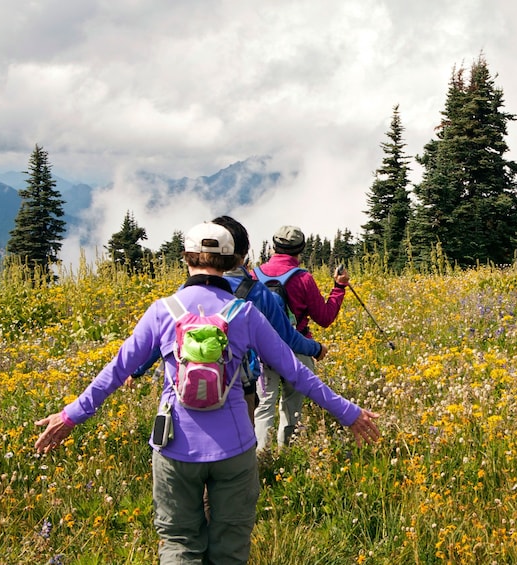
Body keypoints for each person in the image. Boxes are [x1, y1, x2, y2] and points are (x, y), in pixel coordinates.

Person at [34, 221, 380, 564]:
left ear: (185, 257)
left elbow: (116, 370)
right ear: (232, 262)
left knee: (179, 542)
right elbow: (296, 372)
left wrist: (70, 416)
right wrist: (350, 414)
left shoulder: (163, 311)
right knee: (230, 548)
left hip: (173, 445)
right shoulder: (244, 314)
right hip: (235, 449)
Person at [127, 216, 328, 429]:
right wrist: (315, 348)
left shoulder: (186, 292)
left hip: (191, 382)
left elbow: (162, 336)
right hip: (241, 384)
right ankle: (261, 457)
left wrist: (136, 369)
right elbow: (287, 337)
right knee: (242, 440)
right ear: (241, 256)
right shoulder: (258, 292)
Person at [252, 225, 348, 448]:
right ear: (300, 250)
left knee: (264, 406)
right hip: (298, 348)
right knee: (291, 404)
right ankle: (285, 451)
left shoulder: (253, 276)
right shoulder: (304, 278)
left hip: (262, 350)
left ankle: (261, 457)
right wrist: (339, 287)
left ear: (274, 246)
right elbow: (324, 317)